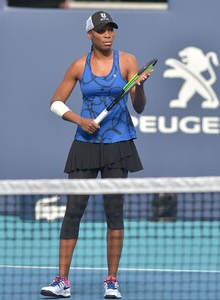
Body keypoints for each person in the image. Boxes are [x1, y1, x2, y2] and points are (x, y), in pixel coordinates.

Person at [40, 11, 153, 299]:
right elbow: (55, 103)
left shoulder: (127, 62)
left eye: (111, 29)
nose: (108, 34)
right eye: (101, 30)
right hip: (85, 144)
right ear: (90, 34)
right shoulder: (79, 66)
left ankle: (112, 281)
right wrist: (79, 120)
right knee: (73, 212)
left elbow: (138, 107)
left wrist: (138, 88)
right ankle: (62, 281)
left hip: (119, 143)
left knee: (114, 212)